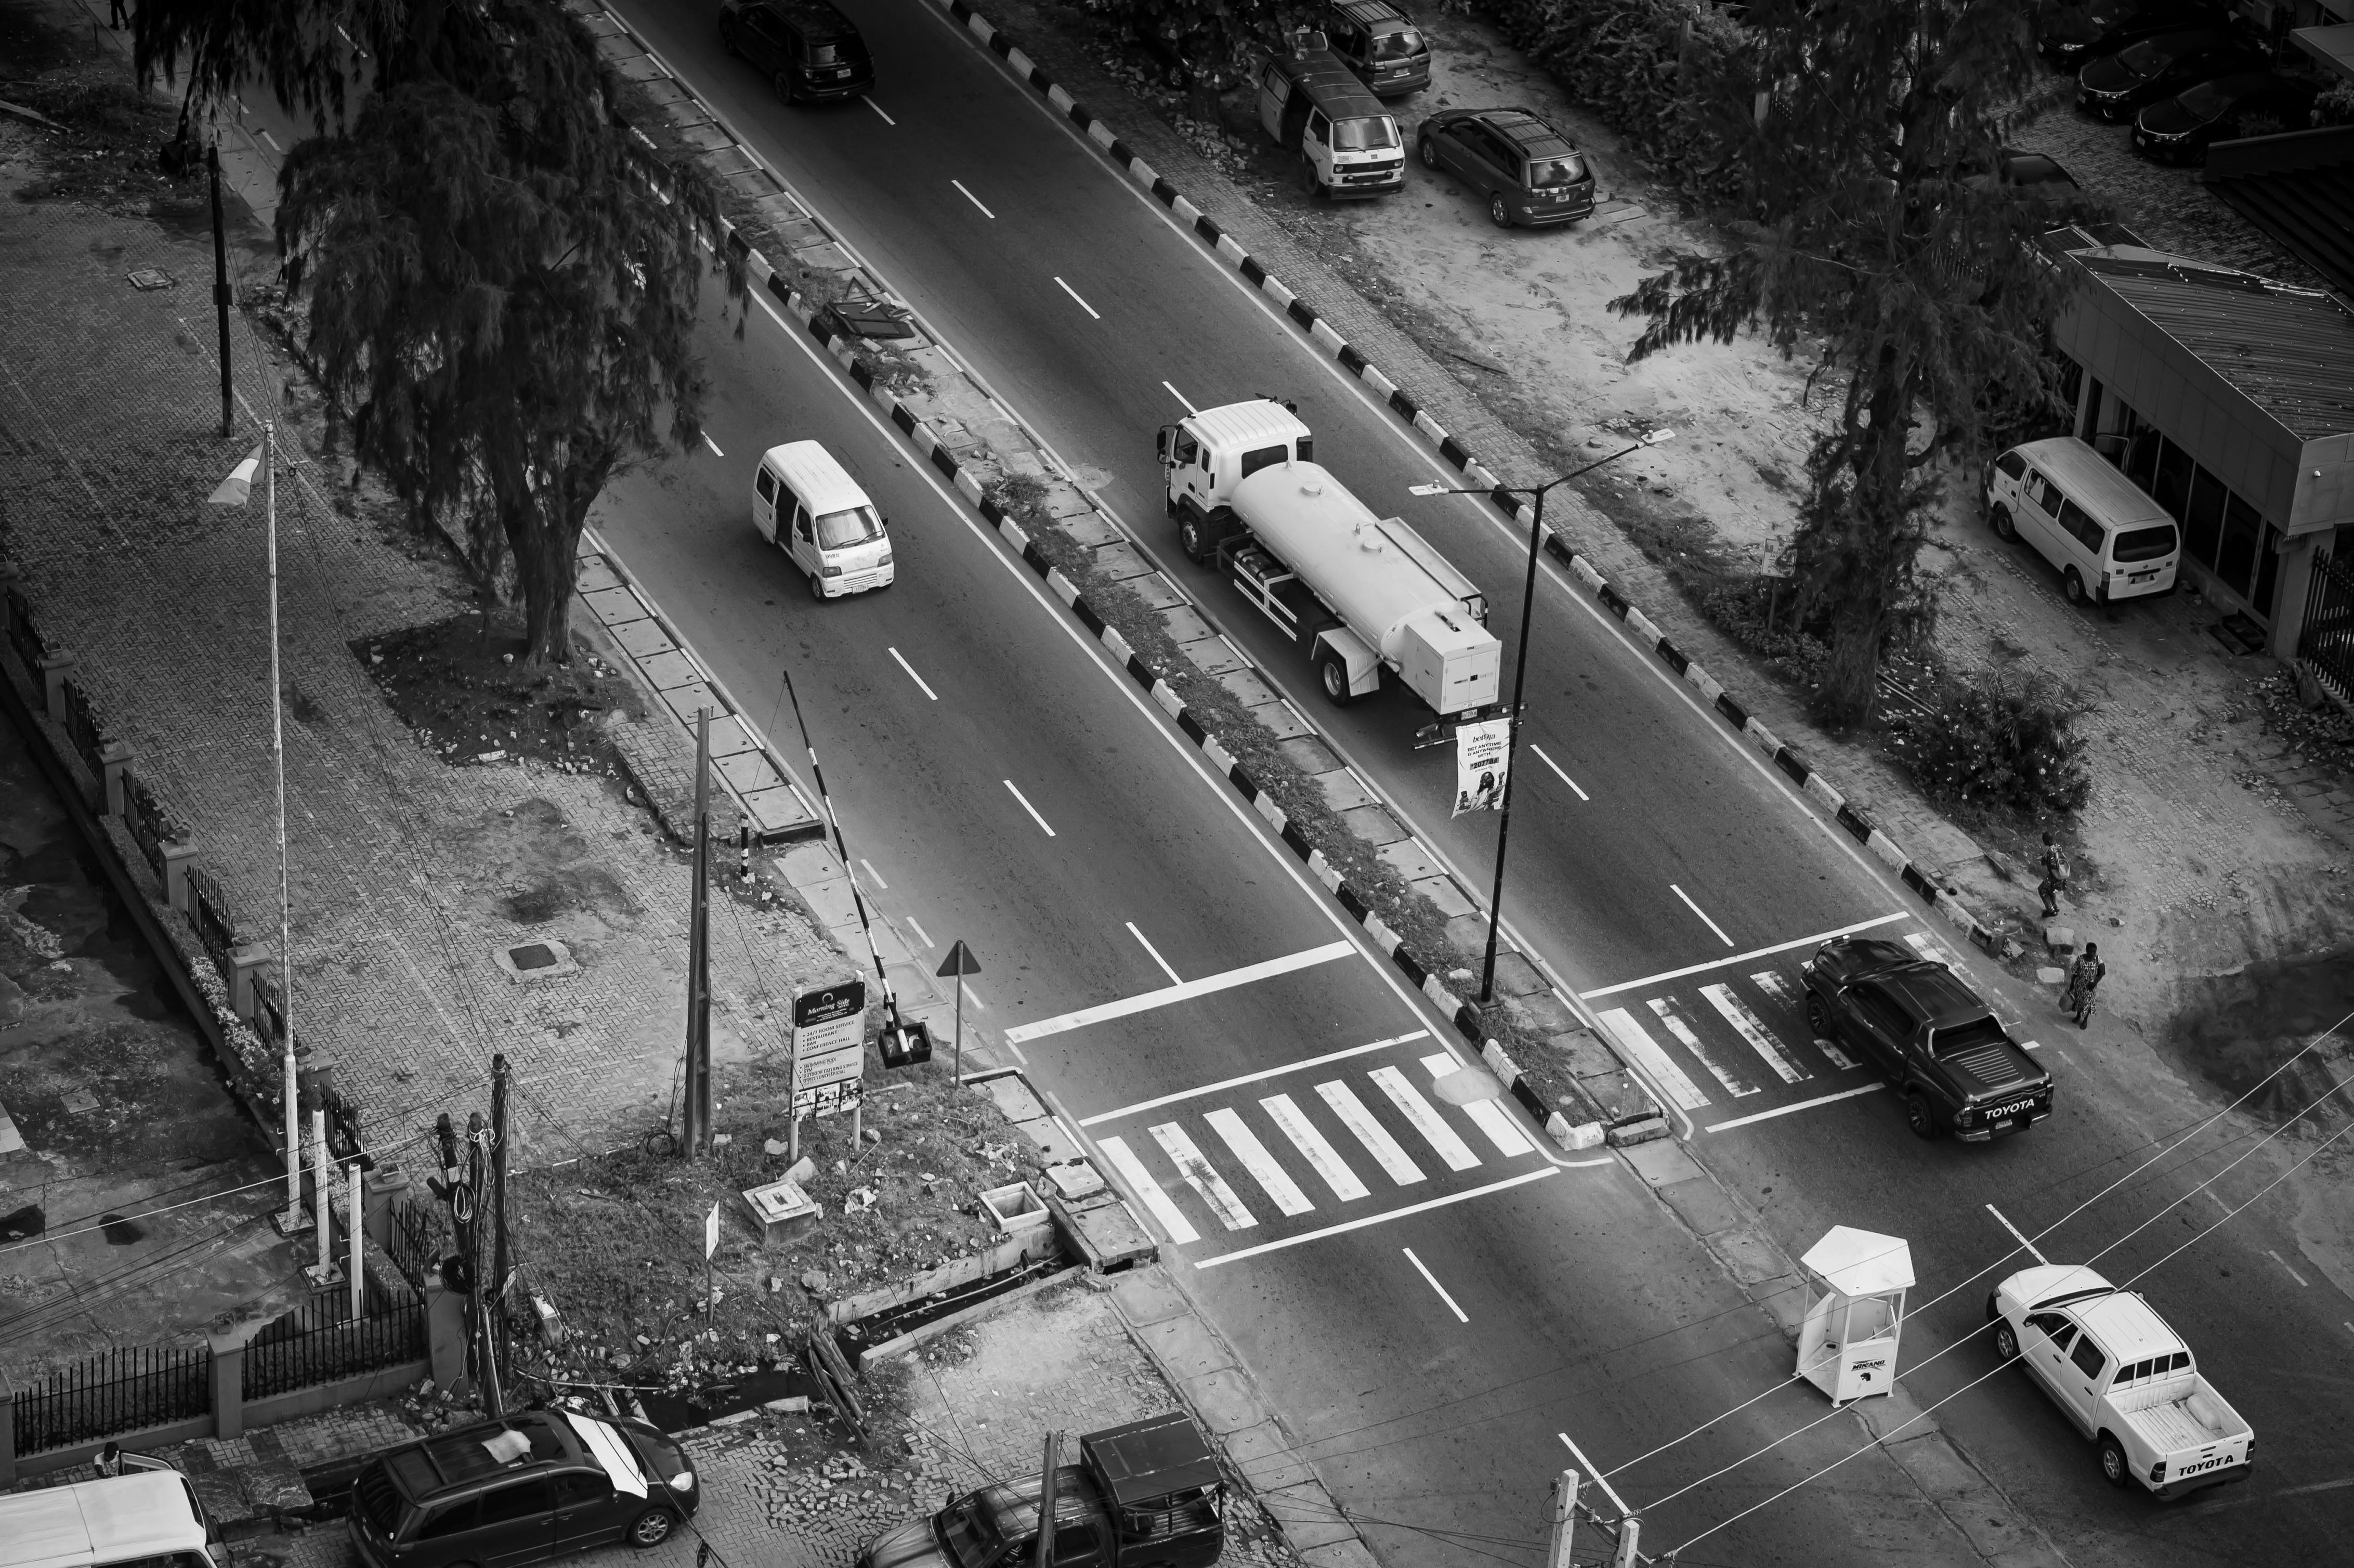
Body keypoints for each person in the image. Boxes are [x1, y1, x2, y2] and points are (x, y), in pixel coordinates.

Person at [2062, 942, 2105, 1028]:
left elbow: (2102, 972)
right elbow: (2075, 972)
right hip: (2080, 985)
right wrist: (2072, 984)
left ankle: (2085, 1020)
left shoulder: (2098, 960)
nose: (2092, 954)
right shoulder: (2081, 959)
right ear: (2086, 950)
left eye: (2094, 952)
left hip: (2090, 988)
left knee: (2088, 1004)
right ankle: (2078, 1016)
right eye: (2091, 952)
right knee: (2078, 1001)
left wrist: (2095, 982)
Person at [2036, 832, 2069, 920]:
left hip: (2053, 877)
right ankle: (2055, 906)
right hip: (2061, 876)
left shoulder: (2051, 851)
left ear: (2046, 841)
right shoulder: (2058, 847)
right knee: (2051, 891)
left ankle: (2051, 910)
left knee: (2042, 890)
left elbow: (2053, 865)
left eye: (2044, 839)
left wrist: (2045, 862)